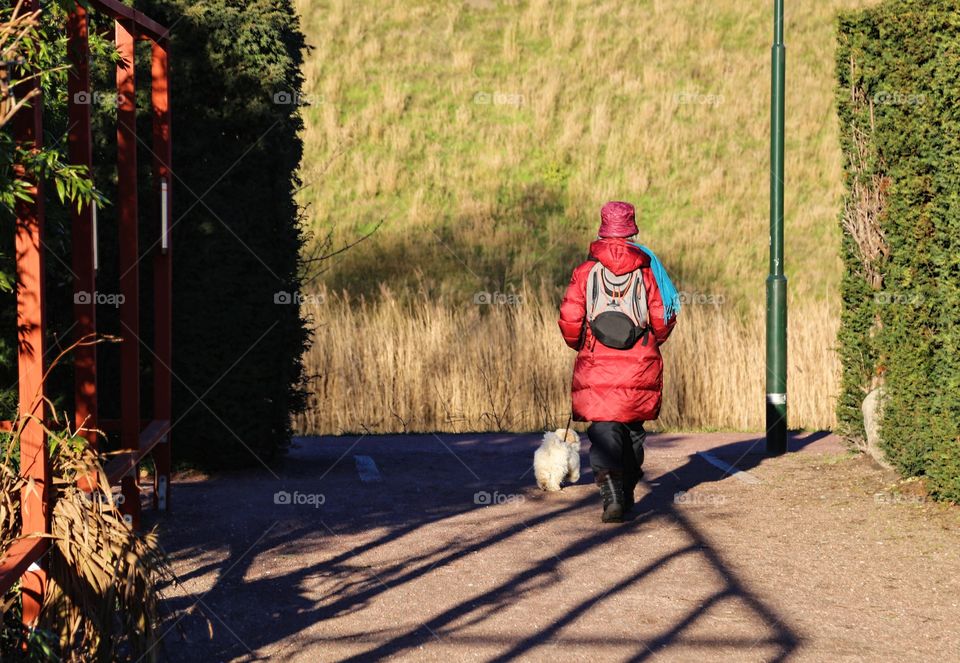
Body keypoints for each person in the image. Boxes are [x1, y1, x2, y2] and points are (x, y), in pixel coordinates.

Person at [558, 201, 678, 523]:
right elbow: (663, 319)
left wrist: (582, 345)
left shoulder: (585, 272)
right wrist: (648, 344)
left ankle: (611, 491)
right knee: (633, 430)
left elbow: (570, 318)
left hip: (597, 362)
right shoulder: (647, 270)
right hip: (639, 362)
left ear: (603, 229)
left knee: (602, 428)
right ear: (632, 230)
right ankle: (626, 483)